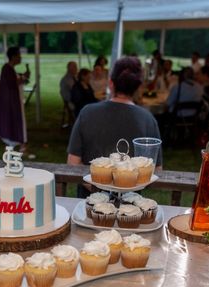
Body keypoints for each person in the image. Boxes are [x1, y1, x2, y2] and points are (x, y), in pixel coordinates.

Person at [67, 56, 161, 196]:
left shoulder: (87, 113)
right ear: (138, 87)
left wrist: (102, 189)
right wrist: (123, 189)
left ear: (111, 83)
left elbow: (73, 163)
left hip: (89, 203)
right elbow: (156, 169)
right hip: (132, 206)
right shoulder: (148, 119)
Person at [0, 46, 30, 149]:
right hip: (10, 102)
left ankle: (16, 141)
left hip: (13, 100)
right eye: (19, 56)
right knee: (13, 120)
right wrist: (23, 77)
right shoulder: (7, 69)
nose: (20, 58)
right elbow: (12, 83)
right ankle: (16, 141)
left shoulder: (9, 69)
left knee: (14, 121)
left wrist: (23, 77)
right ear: (13, 57)